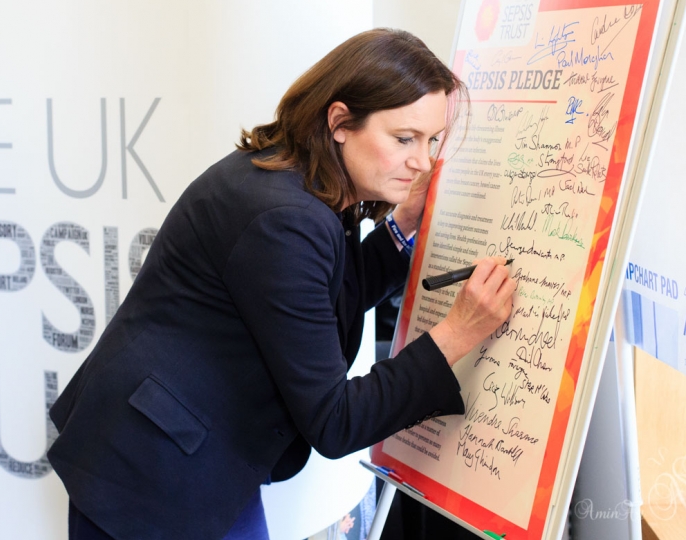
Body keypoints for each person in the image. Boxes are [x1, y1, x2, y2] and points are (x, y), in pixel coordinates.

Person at [48, 28, 515, 540]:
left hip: (197, 455)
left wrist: (403, 224)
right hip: (151, 474)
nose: (423, 161)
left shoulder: (301, 176)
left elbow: (325, 297)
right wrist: (456, 333)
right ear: (340, 122)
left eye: (432, 140)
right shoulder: (285, 217)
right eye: (405, 139)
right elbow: (335, 421)